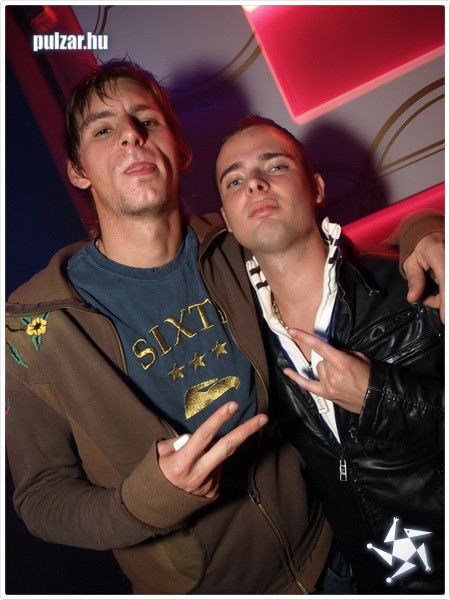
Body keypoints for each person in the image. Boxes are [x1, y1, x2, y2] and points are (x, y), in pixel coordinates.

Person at [4, 60, 443, 595]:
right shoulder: (37, 326)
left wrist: (426, 229)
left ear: (181, 149)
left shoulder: (237, 242)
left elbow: (339, 257)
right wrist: (144, 502)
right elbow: (40, 498)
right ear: (77, 170)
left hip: (335, 557)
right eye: (103, 129)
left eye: (147, 120)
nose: (131, 136)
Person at [215, 115, 445, 595]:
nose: (254, 183)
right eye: (234, 180)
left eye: (275, 166)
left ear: (316, 187)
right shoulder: (243, 343)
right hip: (368, 579)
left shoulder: (416, 286)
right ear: (227, 219)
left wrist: (380, 396)